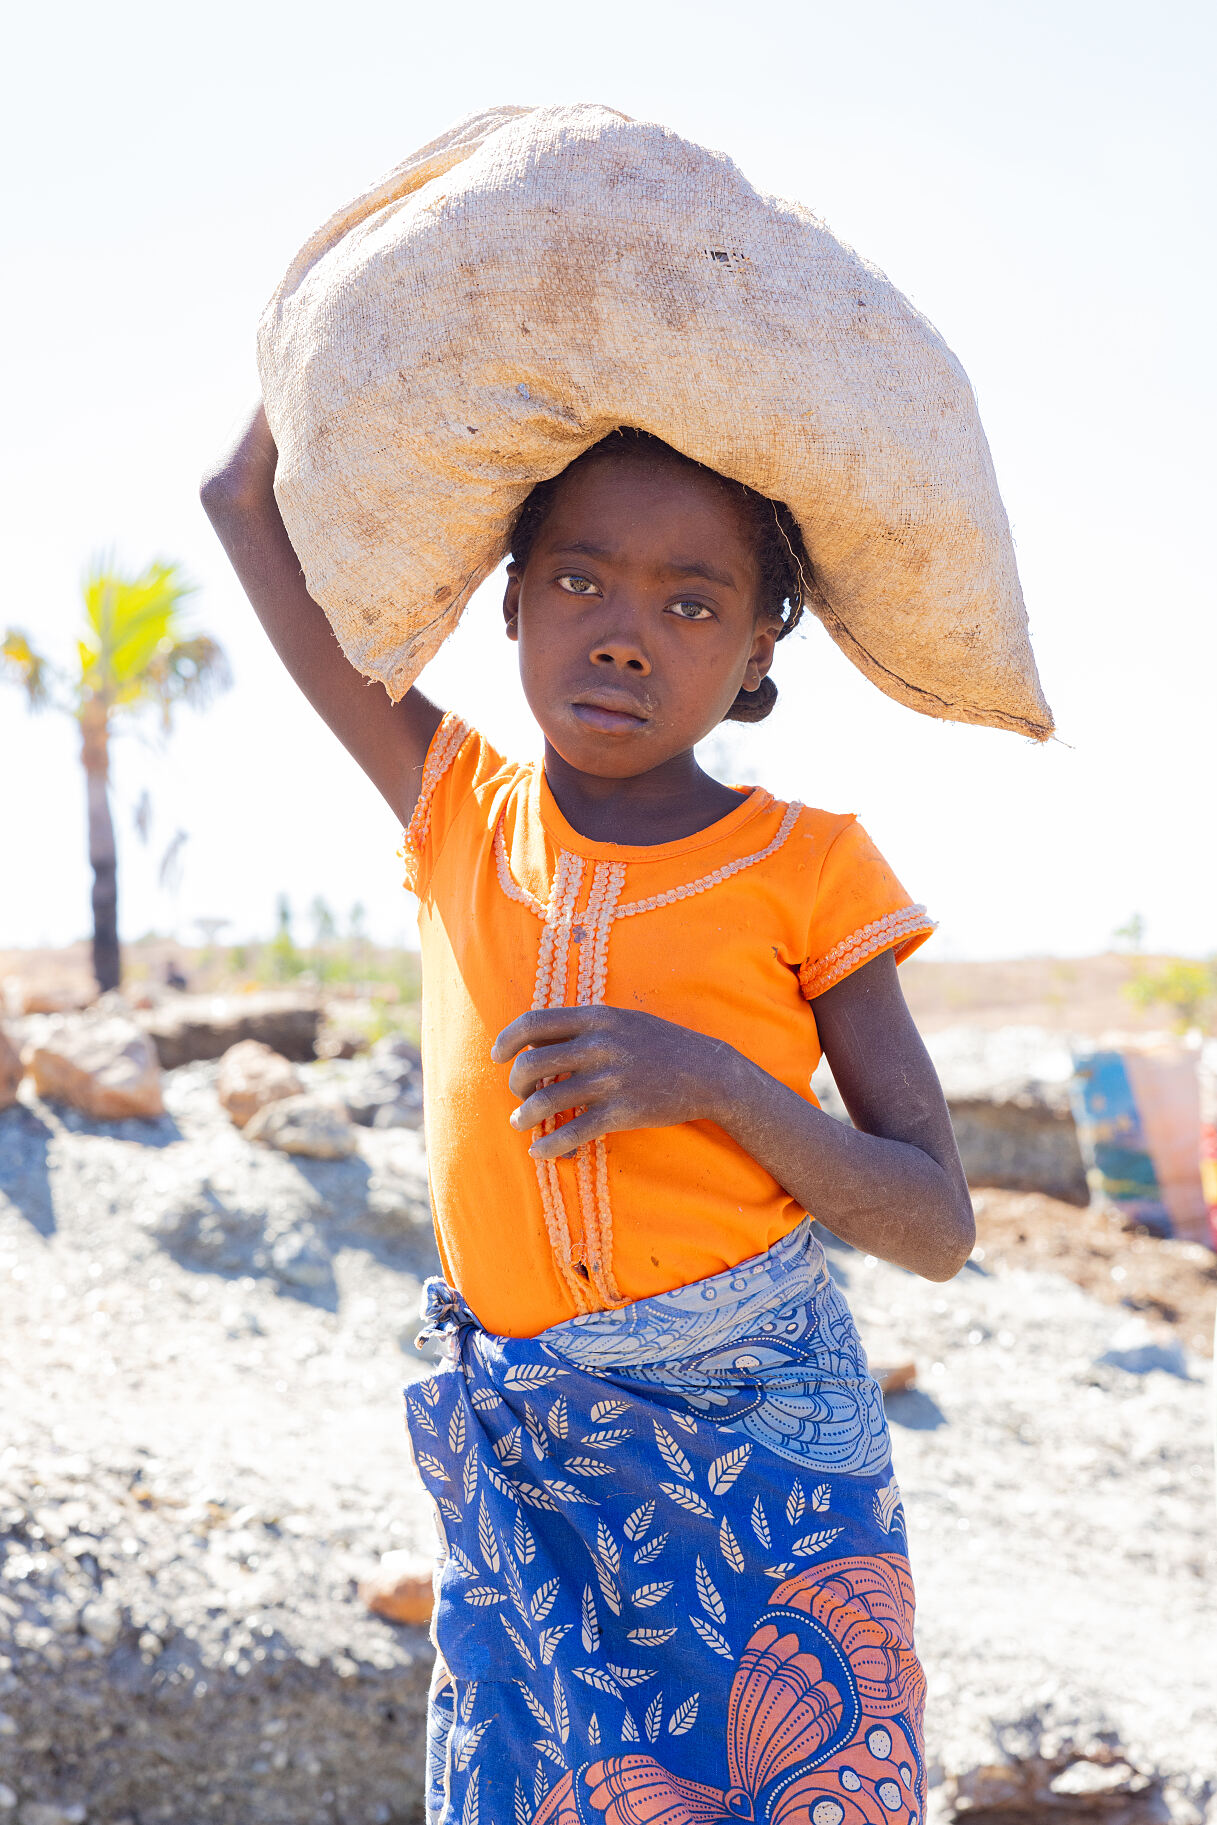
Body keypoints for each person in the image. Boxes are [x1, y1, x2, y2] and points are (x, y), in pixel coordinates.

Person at [202, 413, 974, 1825]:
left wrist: (719, 1085)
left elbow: (931, 1222)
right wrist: (342, 324)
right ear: (505, 598)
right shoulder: (457, 810)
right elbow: (236, 503)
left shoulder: (807, 867)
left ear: (758, 653)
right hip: (530, 1470)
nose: (624, 634)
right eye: (578, 579)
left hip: (762, 1468)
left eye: (693, 601)